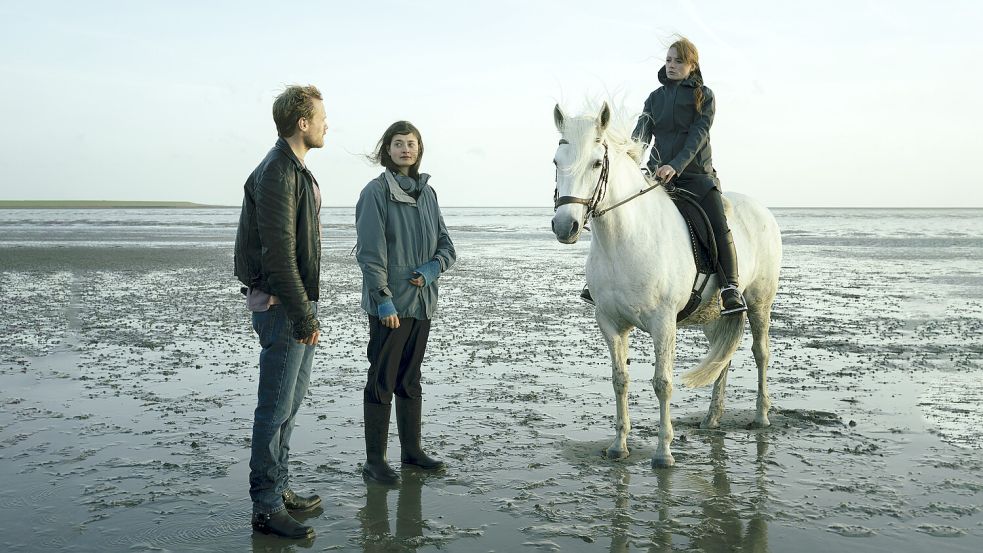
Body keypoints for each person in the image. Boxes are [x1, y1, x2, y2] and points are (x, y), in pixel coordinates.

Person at [581, 37, 748, 316]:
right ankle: (601, 282)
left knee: (718, 224)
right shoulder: (654, 98)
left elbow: (698, 136)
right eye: (668, 60)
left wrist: (676, 165)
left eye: (678, 61)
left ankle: (730, 287)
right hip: (659, 177)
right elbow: (640, 137)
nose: (671, 65)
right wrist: (631, 162)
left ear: (691, 65)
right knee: (619, 217)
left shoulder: (704, 96)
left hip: (696, 175)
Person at [234, 84, 327, 539]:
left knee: (288, 405)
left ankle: (280, 488)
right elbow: (279, 255)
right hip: (281, 306)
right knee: (273, 409)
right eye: (322, 117)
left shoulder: (294, 169)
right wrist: (303, 315)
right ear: (302, 123)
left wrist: (307, 308)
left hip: (295, 303)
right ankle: (266, 507)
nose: (328, 124)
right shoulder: (277, 171)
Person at [355, 121, 456, 485]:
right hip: (391, 308)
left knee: (410, 380)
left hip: (422, 303)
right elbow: (370, 254)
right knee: (382, 380)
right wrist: (382, 299)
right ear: (388, 149)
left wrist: (433, 268)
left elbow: (447, 246)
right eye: (398, 144)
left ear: (419, 149)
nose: (405, 150)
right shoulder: (375, 193)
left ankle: (412, 452)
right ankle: (374, 462)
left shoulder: (428, 194)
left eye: (411, 144)